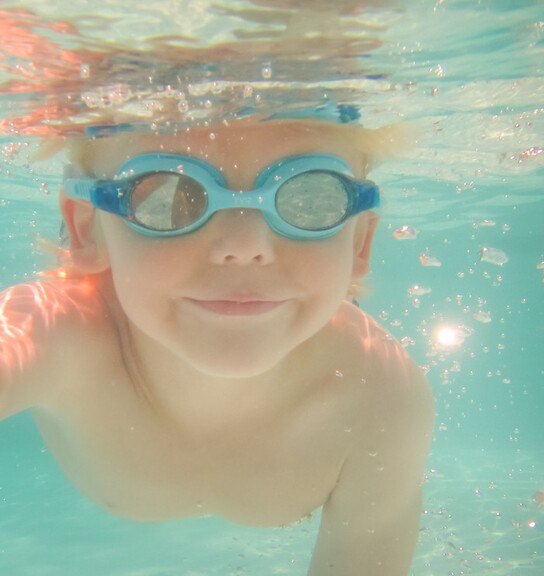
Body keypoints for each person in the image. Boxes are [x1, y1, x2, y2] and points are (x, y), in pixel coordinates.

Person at [0, 113, 435, 576]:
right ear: (86, 228)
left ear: (359, 244)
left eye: (309, 199)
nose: (245, 244)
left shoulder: (381, 396)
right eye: (170, 198)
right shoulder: (48, 329)